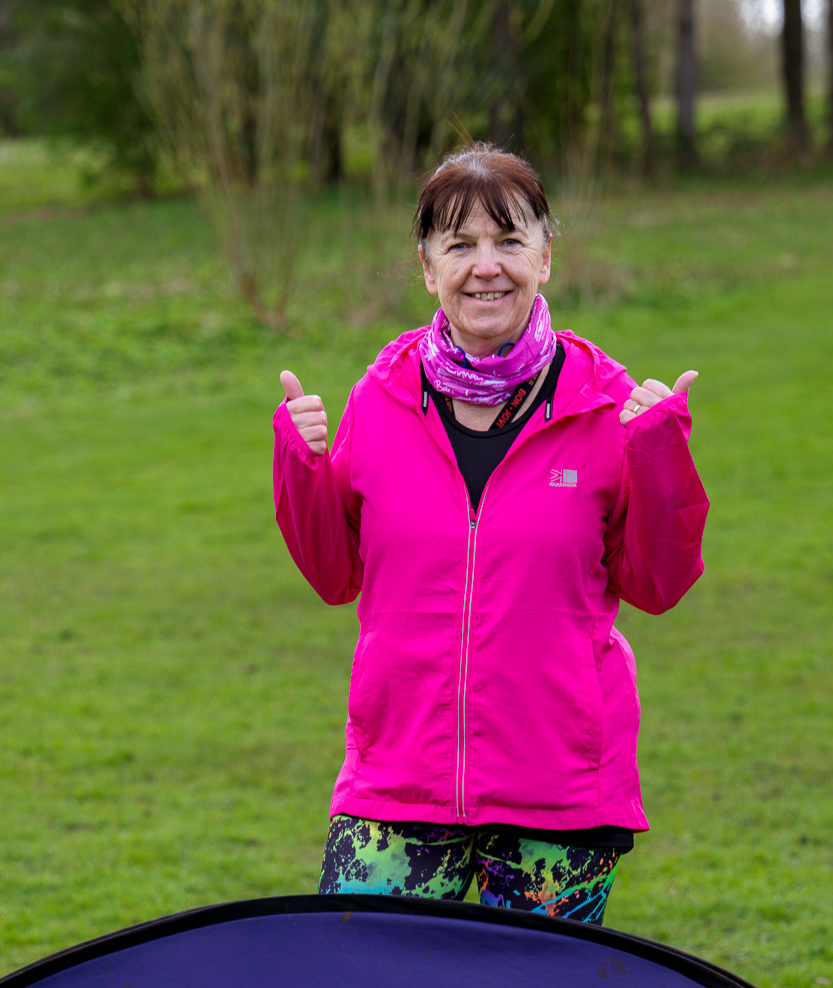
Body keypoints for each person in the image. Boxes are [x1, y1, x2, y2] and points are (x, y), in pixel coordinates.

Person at [271, 143, 709, 926]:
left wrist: (661, 454)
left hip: (560, 791)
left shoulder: (608, 405)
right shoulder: (381, 398)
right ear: (427, 266)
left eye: (509, 240)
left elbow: (658, 584)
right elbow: (335, 574)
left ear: (546, 256)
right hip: (396, 782)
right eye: (460, 244)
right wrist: (300, 464)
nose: (486, 267)